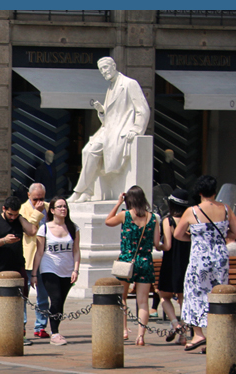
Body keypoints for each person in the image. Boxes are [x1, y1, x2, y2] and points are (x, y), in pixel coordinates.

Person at [173, 175, 236, 352]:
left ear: (200, 192)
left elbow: (178, 234)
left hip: (199, 257)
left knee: (195, 292)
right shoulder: (225, 209)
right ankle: (214, 334)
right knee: (218, 293)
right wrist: (224, 238)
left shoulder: (193, 211)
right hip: (219, 256)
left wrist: (194, 238)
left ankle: (198, 334)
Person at [68, 57, 150, 203]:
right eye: (101, 70)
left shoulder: (129, 84)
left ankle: (80, 191)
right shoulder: (110, 87)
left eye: (105, 68)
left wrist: (137, 129)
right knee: (87, 151)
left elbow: (142, 109)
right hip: (108, 129)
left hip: (121, 129)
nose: (103, 72)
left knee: (91, 152)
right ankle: (86, 191)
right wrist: (101, 111)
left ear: (114, 66)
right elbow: (108, 118)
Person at [105, 185, 160, 345]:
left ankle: (124, 330)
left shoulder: (125, 215)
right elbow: (157, 243)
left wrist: (117, 203)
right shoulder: (154, 218)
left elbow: (108, 221)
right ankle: (141, 335)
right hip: (145, 261)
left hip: (126, 259)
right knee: (142, 301)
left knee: (122, 297)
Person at [0, 196, 37, 345]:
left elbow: (32, 231)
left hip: (17, 266)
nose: (12, 217)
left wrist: (21, 218)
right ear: (3, 209)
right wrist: (4, 240)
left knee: (20, 300)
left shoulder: (19, 220)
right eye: (10, 214)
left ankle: (19, 331)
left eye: (15, 214)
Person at [32, 197, 80, 346]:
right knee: (56, 298)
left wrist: (76, 270)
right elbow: (39, 252)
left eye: (64, 206)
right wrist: (34, 274)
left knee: (61, 302)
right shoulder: (44, 228)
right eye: (59, 207)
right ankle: (55, 333)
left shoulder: (73, 228)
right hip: (49, 268)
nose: (63, 209)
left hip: (67, 269)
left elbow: (76, 250)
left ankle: (56, 329)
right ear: (52, 210)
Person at [156, 187, 191, 344]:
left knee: (164, 297)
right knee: (184, 300)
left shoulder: (168, 221)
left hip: (171, 263)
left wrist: (158, 246)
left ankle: (175, 323)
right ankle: (183, 335)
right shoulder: (190, 220)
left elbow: (168, 245)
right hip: (187, 262)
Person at [20, 183, 49, 338]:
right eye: (36, 199)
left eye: (42, 199)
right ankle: (22, 324)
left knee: (43, 295)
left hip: (46, 258)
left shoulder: (50, 208)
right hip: (28, 257)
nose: (39, 202)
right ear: (28, 195)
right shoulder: (22, 209)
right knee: (23, 294)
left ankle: (41, 326)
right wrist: (37, 212)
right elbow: (29, 230)